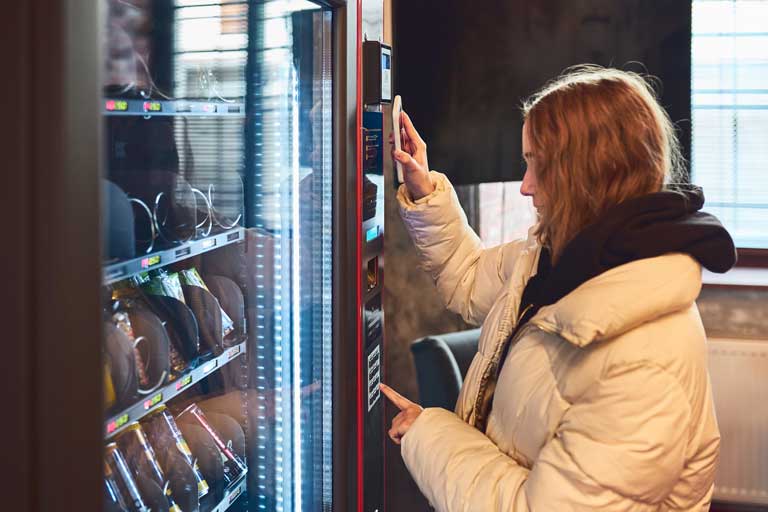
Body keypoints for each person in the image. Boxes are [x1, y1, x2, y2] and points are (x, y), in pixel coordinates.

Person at [380, 66, 736, 511]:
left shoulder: (645, 362)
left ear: (583, 176)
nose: (526, 186)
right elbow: (469, 278)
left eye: (536, 165)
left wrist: (426, 433)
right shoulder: (555, 256)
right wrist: (425, 188)